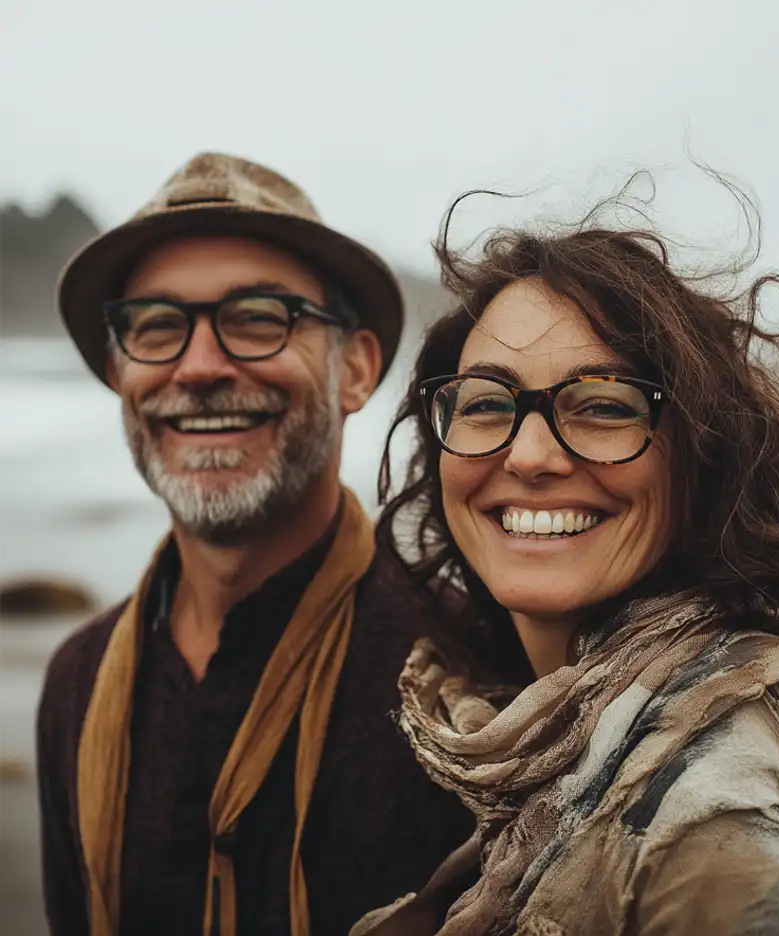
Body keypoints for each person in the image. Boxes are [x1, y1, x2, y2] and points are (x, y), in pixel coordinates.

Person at [354, 193, 779, 934]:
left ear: (701, 458)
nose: (530, 454)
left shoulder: (705, 827)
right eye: (484, 404)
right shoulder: (525, 716)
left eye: (603, 405)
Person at [35, 152, 474, 936]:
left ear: (357, 369)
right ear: (118, 370)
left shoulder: (468, 680)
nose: (199, 367)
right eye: (158, 326)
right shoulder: (77, 682)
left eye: (259, 316)